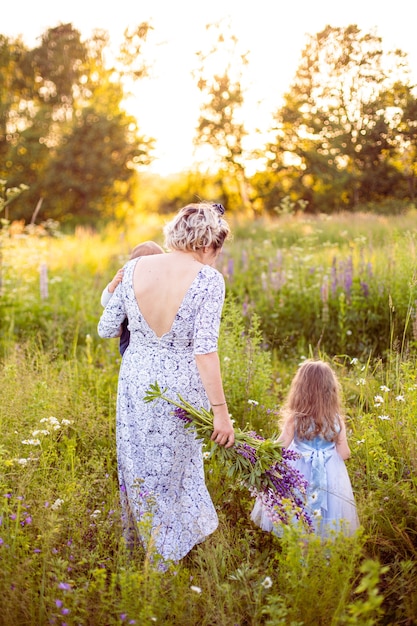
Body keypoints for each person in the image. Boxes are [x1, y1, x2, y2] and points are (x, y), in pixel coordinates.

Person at [97, 202, 234, 564]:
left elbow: (107, 327)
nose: (217, 258)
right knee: (176, 467)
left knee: (138, 461)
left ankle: (145, 544)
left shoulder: (133, 267)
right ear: (207, 244)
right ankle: (165, 554)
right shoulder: (208, 280)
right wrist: (222, 413)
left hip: (136, 378)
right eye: (218, 250)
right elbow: (205, 351)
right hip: (179, 385)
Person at [251, 359, 359, 538]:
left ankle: (301, 550)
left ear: (301, 389)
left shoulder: (295, 419)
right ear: (330, 391)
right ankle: (324, 553)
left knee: (298, 508)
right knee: (329, 511)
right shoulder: (337, 420)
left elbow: (280, 447)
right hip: (329, 472)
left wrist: (259, 452)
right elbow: (345, 453)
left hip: (298, 472)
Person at [101, 241, 164, 356]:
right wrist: (112, 286)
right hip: (130, 335)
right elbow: (105, 302)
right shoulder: (125, 280)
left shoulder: (160, 283)